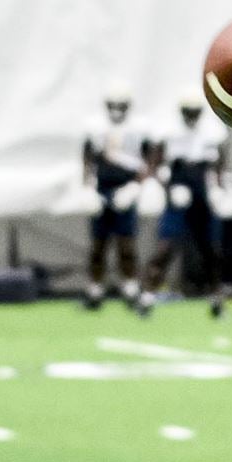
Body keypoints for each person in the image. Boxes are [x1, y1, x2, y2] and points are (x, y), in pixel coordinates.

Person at [137, 88, 228, 318]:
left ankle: (217, 300)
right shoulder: (169, 132)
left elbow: (218, 165)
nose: (191, 117)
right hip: (177, 193)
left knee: (211, 251)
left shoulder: (212, 132)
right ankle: (146, 297)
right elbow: (154, 166)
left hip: (202, 194)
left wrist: (217, 188)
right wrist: (167, 186)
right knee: (165, 248)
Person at [81, 80, 154, 310]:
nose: (116, 110)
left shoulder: (139, 128)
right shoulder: (95, 127)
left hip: (126, 187)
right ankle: (94, 289)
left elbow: (149, 160)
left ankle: (130, 287)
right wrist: (88, 187)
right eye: (113, 105)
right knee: (98, 244)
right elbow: (87, 158)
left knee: (126, 244)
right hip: (102, 188)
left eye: (120, 105)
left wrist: (135, 187)